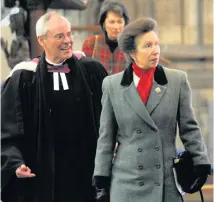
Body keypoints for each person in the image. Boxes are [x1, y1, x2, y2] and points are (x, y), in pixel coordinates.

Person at [93, 18, 211, 202]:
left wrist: (201, 161)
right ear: (132, 52)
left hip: (165, 183)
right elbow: (106, 137)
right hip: (125, 184)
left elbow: (190, 128)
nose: (155, 50)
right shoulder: (112, 85)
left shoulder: (177, 80)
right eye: (148, 45)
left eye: (157, 44)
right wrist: (101, 176)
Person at [1, 11, 107, 202]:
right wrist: (15, 163)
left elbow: (109, 121)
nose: (68, 40)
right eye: (59, 36)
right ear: (41, 40)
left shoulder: (92, 72)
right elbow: (6, 130)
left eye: (69, 34)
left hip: (84, 176)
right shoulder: (24, 79)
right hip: (43, 178)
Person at [82, 1, 130, 75]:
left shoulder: (131, 46)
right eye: (112, 22)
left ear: (125, 23)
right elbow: (84, 73)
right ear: (104, 24)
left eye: (120, 22)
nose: (116, 27)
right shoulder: (91, 44)